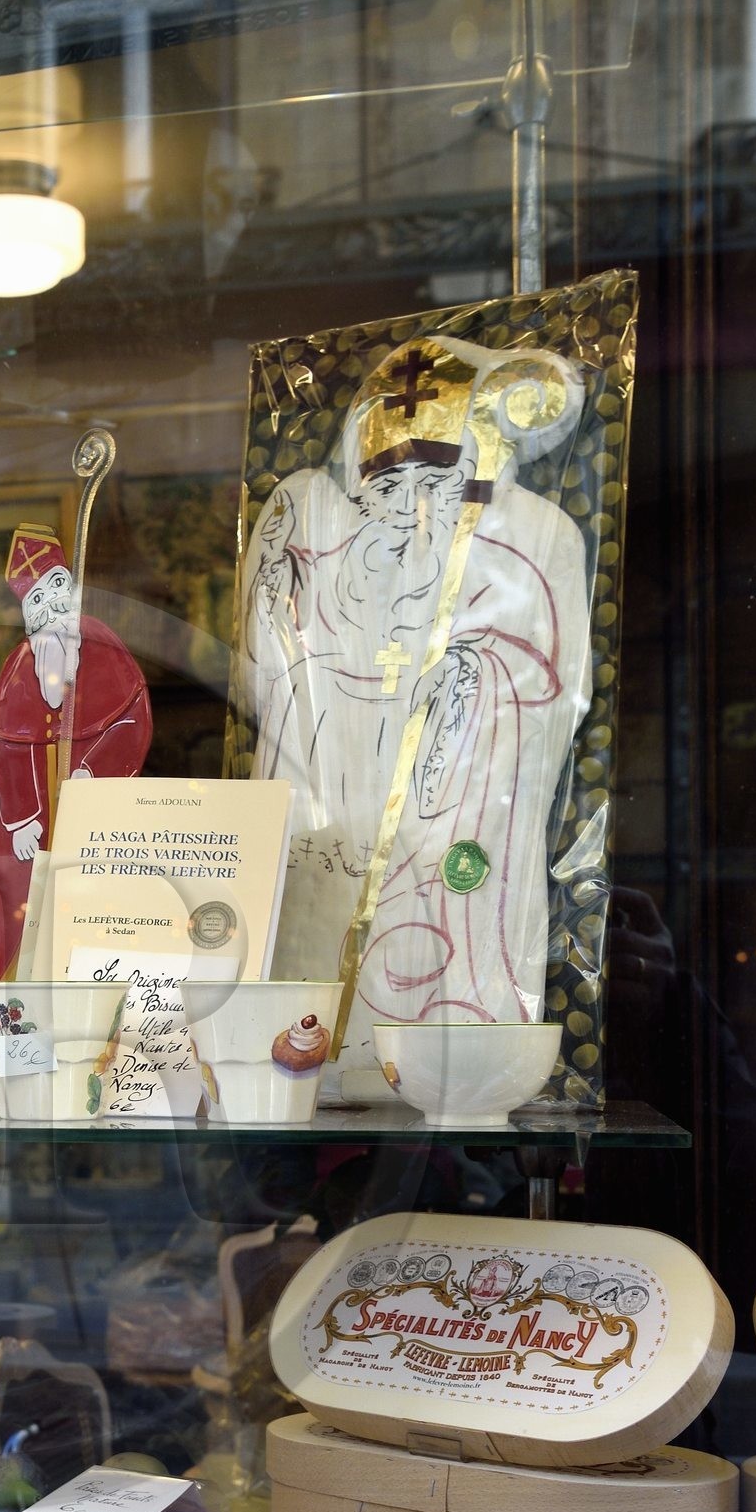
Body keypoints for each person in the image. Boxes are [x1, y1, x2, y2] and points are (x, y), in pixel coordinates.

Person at [244, 333, 590, 1096]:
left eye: (432, 486)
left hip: (460, 805)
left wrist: (468, 676)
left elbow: (544, 687)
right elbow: (291, 675)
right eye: (388, 491)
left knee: (445, 929)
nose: (410, 512)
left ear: (473, 474)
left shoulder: (533, 544)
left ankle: (450, 1047)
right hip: (349, 800)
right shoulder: (343, 553)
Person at [0, 526, 151, 980]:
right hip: (36, 818)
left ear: (71, 589)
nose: (50, 606)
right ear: (27, 614)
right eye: (37, 600)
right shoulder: (20, 666)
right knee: (19, 902)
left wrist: (94, 773)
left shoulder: (104, 649)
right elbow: (9, 749)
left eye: (57, 588)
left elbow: (132, 723)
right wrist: (20, 818)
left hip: (97, 810)